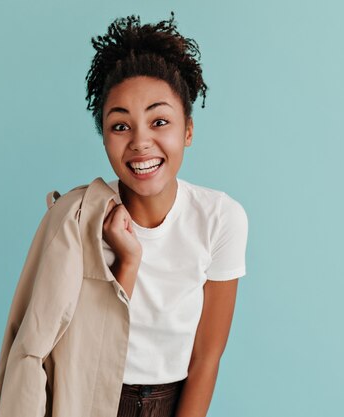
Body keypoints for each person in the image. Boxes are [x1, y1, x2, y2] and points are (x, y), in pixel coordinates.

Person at [85, 12, 249, 417]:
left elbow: (206, 358)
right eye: (120, 126)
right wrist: (128, 260)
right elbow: (85, 350)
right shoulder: (81, 218)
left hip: (175, 399)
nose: (141, 142)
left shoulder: (220, 217)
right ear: (104, 137)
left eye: (160, 121)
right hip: (90, 396)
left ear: (188, 131)